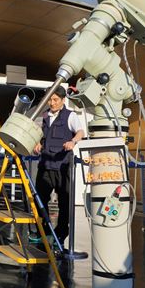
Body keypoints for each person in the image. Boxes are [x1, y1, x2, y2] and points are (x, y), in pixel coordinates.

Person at [32, 85, 84, 248]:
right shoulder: (44, 116)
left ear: (63, 100)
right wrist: (37, 144)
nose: (52, 103)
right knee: (38, 199)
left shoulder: (71, 116)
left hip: (63, 166)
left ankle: (61, 234)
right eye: (50, 99)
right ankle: (43, 231)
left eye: (55, 99)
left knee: (64, 202)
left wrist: (73, 141)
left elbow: (80, 132)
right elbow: (39, 136)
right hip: (45, 165)